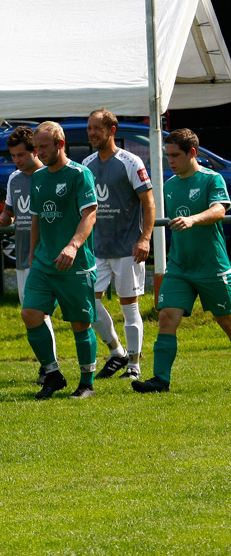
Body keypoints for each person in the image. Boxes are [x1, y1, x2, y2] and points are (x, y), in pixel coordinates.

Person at [133, 128, 231, 393]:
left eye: (175, 155)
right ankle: (160, 380)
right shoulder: (171, 185)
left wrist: (192, 219)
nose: (170, 161)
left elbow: (219, 210)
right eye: (168, 156)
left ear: (193, 153)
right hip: (179, 268)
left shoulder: (212, 179)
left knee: (227, 323)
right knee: (166, 317)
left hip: (212, 267)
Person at [22, 121, 99, 400]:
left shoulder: (80, 174)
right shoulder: (38, 178)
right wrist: (33, 254)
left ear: (60, 145)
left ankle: (87, 383)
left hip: (75, 263)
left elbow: (90, 213)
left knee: (80, 323)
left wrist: (73, 246)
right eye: (36, 147)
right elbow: (37, 219)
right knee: (30, 314)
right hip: (44, 263)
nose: (39, 152)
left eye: (44, 147)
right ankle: (53, 374)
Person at [82, 109, 155, 380]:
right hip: (96, 249)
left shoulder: (130, 162)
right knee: (88, 304)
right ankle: (117, 352)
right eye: (89, 128)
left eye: (96, 128)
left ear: (112, 130)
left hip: (128, 248)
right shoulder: (87, 164)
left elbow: (148, 202)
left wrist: (145, 239)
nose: (91, 133)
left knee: (129, 306)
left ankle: (134, 364)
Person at [0, 126, 56, 384]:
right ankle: (49, 365)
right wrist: (0, 219)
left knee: (43, 312)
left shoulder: (50, 174)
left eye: (21, 155)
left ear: (35, 151)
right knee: (32, 314)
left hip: (49, 257)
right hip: (24, 257)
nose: (16, 161)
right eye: (13, 156)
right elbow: (10, 214)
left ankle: (53, 368)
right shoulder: (14, 179)